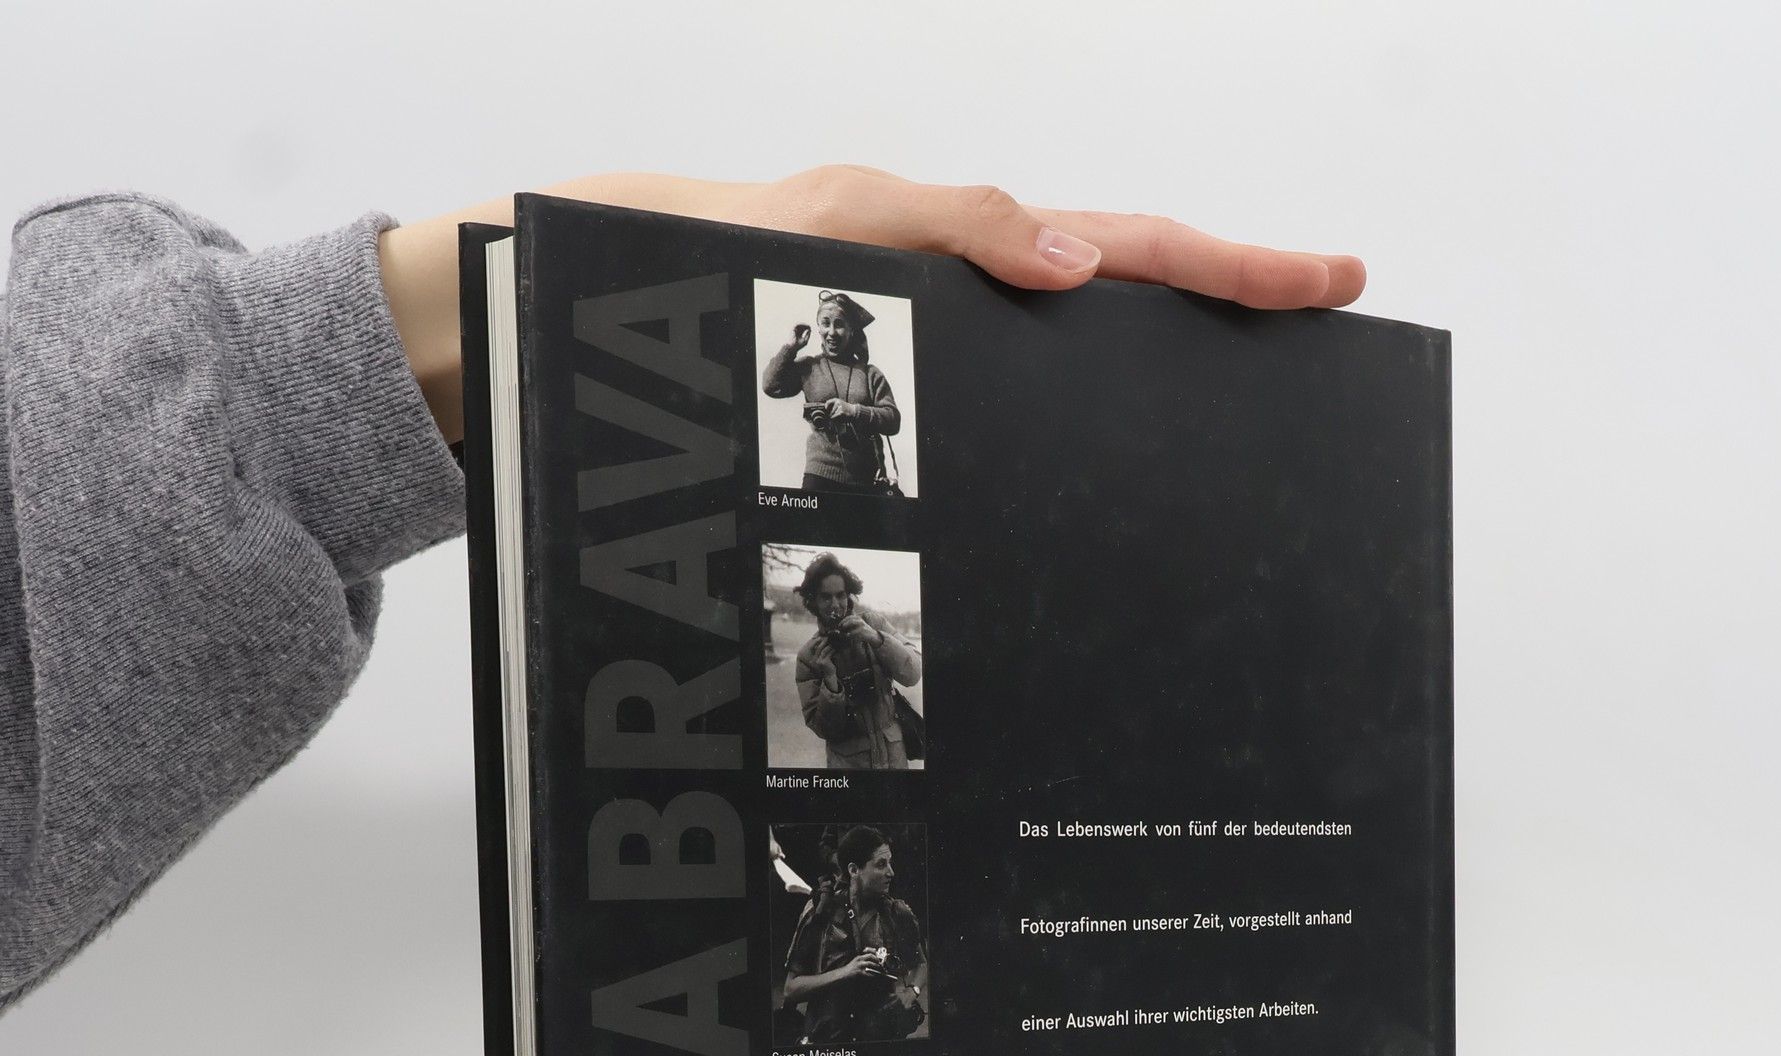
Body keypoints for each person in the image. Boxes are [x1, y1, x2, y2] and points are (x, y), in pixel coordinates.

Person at [0, 166, 1362, 1009]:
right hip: (830, 564)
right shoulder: (821, 570)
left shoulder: (866, 432)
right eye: (830, 601)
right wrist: (635, 305)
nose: (839, 609)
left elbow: (887, 465)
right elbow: (788, 458)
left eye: (841, 600)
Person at [780, 826, 928, 1046]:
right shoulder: (821, 911)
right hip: (828, 1042)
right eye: (881, 864)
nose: (891, 872)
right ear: (853, 870)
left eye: (890, 863)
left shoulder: (897, 913)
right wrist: (847, 971)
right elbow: (790, 989)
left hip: (879, 1038)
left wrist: (912, 991)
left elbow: (921, 964)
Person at [792, 551, 924, 770]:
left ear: (849, 595)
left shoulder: (873, 624)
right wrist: (830, 681)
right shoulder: (808, 656)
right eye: (826, 597)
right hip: (849, 765)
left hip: (894, 760)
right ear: (813, 601)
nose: (835, 604)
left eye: (841, 595)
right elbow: (824, 729)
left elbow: (913, 673)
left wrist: (877, 639)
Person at [761, 290, 901, 493]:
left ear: (852, 330)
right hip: (819, 477)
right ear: (818, 328)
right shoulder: (809, 367)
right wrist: (790, 348)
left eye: (839, 324)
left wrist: (854, 411)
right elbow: (770, 385)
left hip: (865, 481)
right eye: (825, 323)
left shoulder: (870, 373)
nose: (832, 332)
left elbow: (893, 420)